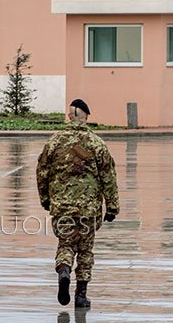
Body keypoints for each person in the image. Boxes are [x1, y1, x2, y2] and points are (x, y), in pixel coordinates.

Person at [37, 99, 119, 308]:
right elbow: (108, 176)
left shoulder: (54, 142)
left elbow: (42, 172)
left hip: (62, 206)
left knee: (65, 243)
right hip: (88, 209)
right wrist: (112, 206)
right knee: (85, 250)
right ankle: (81, 295)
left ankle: (64, 270)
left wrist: (46, 199)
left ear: (69, 116)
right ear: (86, 118)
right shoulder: (96, 144)